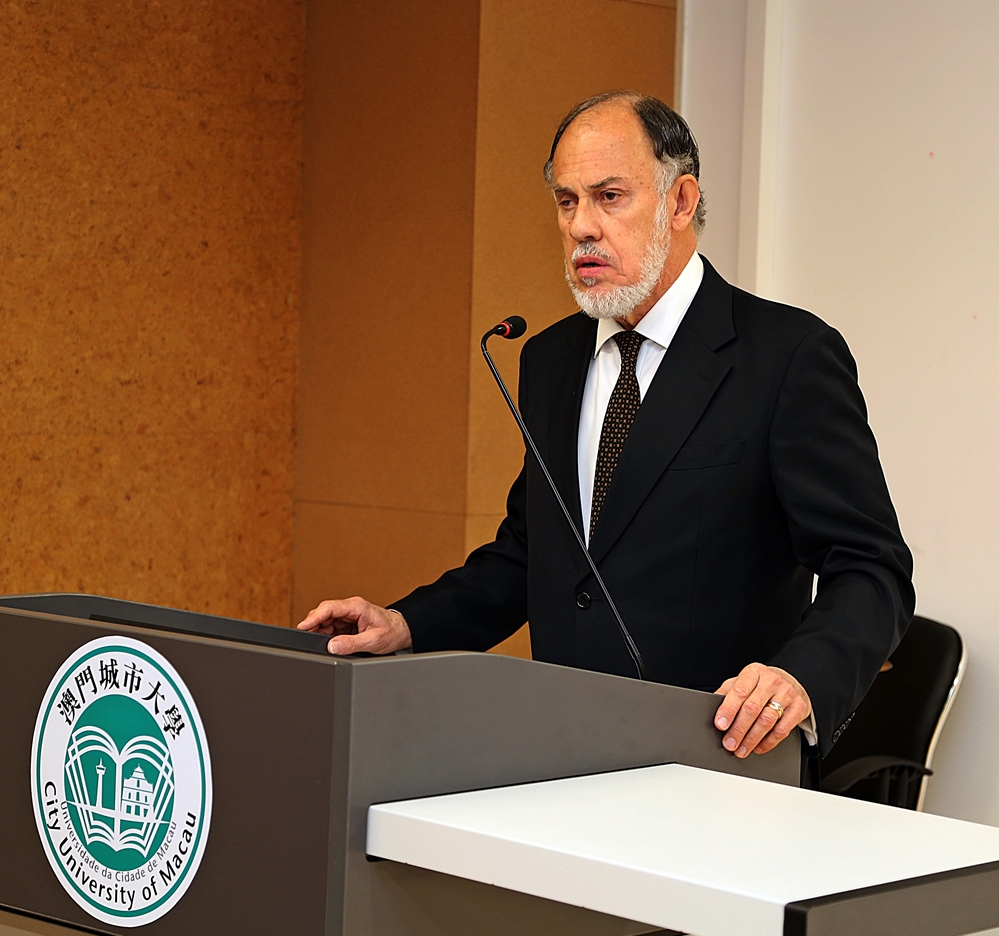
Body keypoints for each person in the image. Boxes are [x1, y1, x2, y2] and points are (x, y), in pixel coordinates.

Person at [298, 91, 914, 761]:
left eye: (609, 196)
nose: (582, 227)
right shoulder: (550, 358)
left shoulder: (786, 356)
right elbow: (535, 551)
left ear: (680, 202)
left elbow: (870, 567)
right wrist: (407, 623)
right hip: (563, 748)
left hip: (720, 762)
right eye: (567, 202)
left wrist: (800, 678)